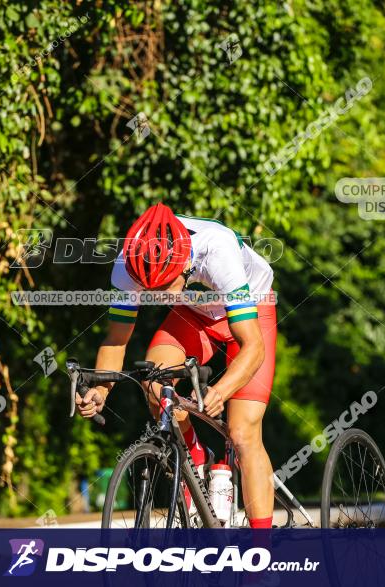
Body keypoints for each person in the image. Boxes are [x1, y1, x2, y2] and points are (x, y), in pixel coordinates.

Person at [76, 203, 277, 528]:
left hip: (251, 312)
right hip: (195, 316)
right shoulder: (127, 263)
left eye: (165, 287)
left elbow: (253, 347)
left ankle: (260, 557)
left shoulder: (217, 251)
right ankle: (197, 461)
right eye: (149, 290)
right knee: (155, 385)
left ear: (184, 263)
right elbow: (116, 339)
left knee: (243, 433)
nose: (156, 296)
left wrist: (221, 391)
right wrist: (102, 388)